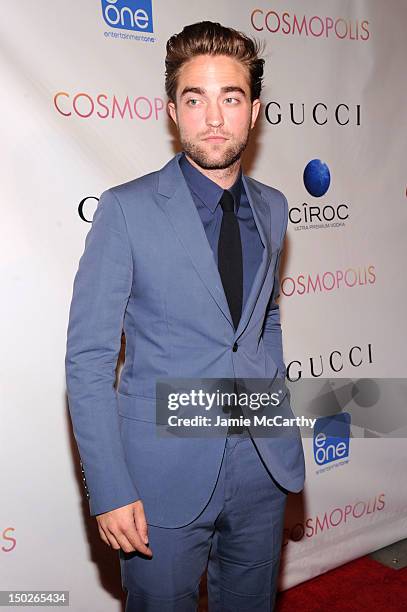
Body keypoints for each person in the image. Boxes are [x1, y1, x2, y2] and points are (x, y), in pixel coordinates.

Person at [65, 20, 305, 611]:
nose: (215, 118)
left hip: (261, 469)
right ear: (173, 111)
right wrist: (110, 487)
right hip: (160, 476)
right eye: (195, 99)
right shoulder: (125, 210)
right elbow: (89, 362)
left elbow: (262, 324)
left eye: (232, 98)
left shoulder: (273, 208)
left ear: (254, 112)